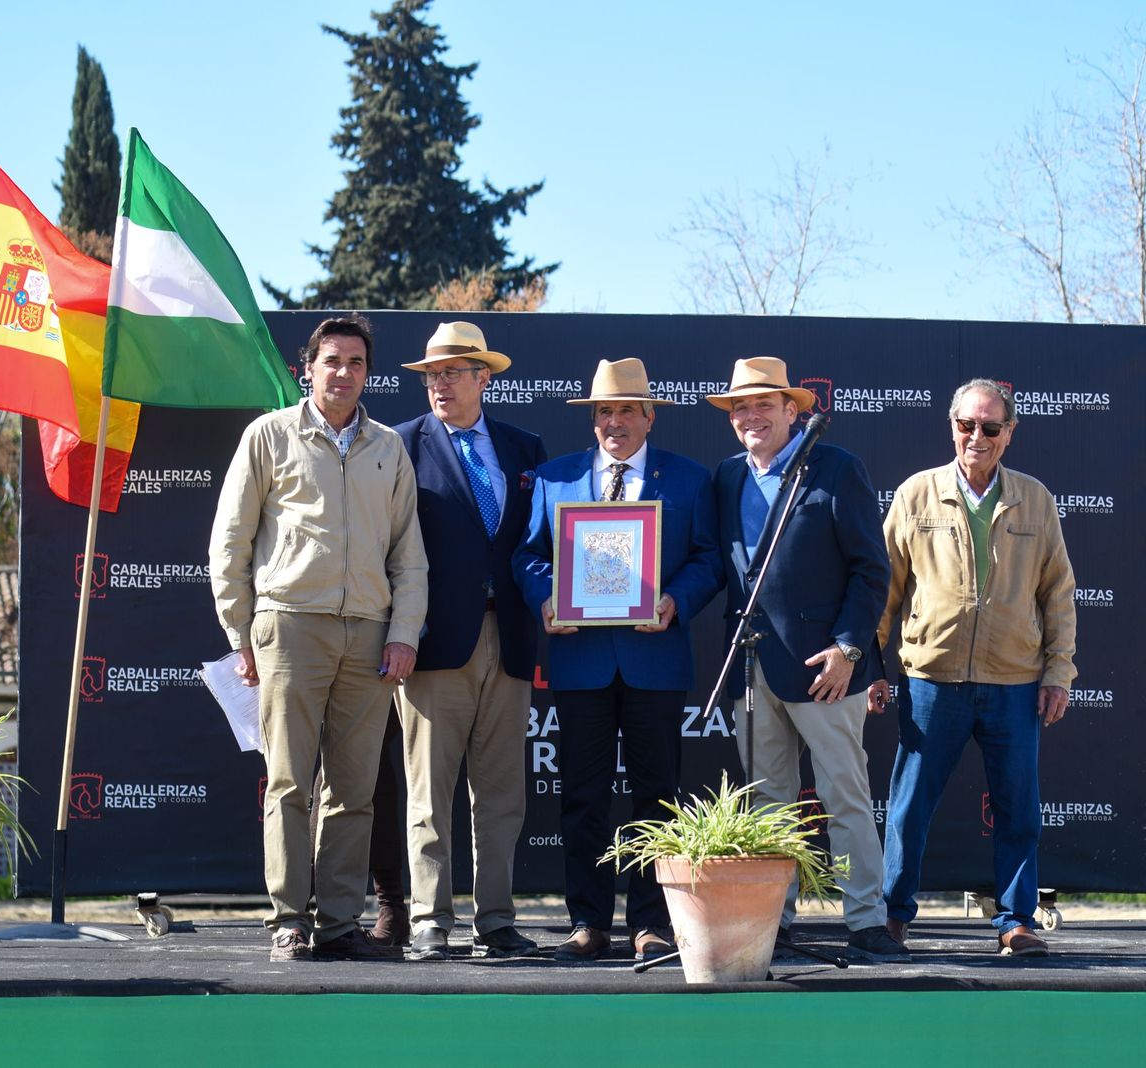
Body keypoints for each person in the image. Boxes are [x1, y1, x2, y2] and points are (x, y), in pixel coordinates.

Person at [209, 314, 428, 962]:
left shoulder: (388, 447)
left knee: (354, 788)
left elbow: (408, 557)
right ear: (307, 369)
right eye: (331, 360)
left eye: (356, 362)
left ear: (368, 373)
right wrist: (239, 630)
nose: (343, 372)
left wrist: (405, 632)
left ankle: (338, 922)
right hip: (289, 628)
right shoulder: (268, 436)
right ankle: (289, 920)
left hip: (368, 636)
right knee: (289, 783)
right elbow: (230, 541)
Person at [513, 358, 719, 963]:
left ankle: (651, 924)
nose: (614, 422)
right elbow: (528, 558)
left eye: (627, 410)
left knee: (658, 795)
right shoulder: (554, 479)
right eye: (604, 411)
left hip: (654, 657)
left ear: (650, 416)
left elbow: (708, 559)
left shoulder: (688, 480)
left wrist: (676, 600)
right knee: (581, 794)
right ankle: (588, 921)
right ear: (592, 419)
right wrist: (545, 597)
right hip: (579, 661)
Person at [706, 357, 907, 963]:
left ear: (793, 410)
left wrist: (850, 649)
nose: (750, 416)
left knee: (845, 797)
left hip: (827, 670)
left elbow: (873, 571)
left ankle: (867, 920)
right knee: (767, 802)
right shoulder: (724, 478)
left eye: (764, 404)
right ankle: (776, 921)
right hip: (753, 665)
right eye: (740, 407)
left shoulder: (836, 468)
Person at [871, 377, 1075, 958]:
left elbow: (1058, 592)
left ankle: (1015, 922)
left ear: (1010, 434)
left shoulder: (1035, 499)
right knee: (910, 805)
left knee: (1019, 810)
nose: (977, 437)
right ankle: (893, 917)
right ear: (951, 427)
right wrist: (873, 669)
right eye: (967, 425)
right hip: (930, 679)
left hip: (1014, 681)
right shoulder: (915, 494)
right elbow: (883, 589)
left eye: (990, 427)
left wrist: (1059, 672)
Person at [389, 322, 547, 961]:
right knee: (429, 794)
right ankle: (430, 919)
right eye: (432, 373)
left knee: (503, 793)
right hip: (432, 643)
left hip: (508, 639)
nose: (439, 383)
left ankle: (497, 920)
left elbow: (541, 543)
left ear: (486, 377)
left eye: (453, 371)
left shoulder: (525, 446)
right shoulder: (400, 445)